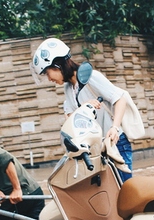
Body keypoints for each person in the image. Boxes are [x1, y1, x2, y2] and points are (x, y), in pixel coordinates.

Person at [31, 38, 133, 181]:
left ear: (57, 65)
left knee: (125, 192)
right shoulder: (69, 88)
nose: (49, 79)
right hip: (97, 149)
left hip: (115, 143)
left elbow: (120, 98)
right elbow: (71, 119)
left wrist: (115, 128)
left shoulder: (91, 77)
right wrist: (84, 108)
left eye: (47, 73)